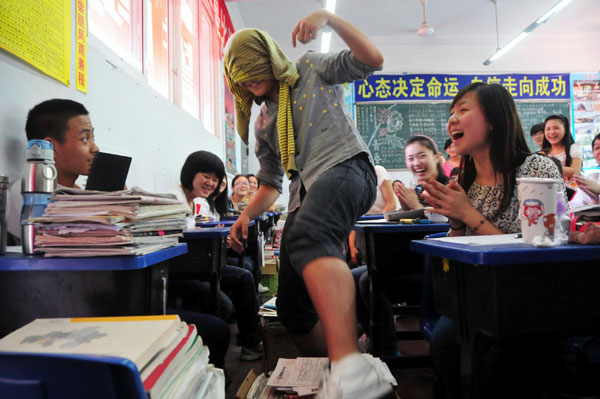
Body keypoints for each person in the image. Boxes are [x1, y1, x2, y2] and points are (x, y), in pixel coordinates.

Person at [224, 8, 391, 399]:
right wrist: (245, 216)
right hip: (305, 194)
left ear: (269, 57)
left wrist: (327, 19)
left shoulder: (310, 69)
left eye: (254, 68)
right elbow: (270, 184)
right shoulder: (264, 122)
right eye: (241, 77)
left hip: (347, 167)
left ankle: (350, 368)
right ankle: (347, 368)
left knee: (310, 234)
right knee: (293, 309)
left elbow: (373, 60)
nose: (250, 80)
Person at [422, 82, 566, 398]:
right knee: (447, 341)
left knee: (489, 359)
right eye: (451, 113)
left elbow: (543, 248)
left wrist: (470, 214)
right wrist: (457, 222)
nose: (452, 120)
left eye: (463, 110)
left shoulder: (535, 167)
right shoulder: (467, 181)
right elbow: (459, 248)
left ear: (493, 120)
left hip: (530, 302)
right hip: (478, 299)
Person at [168, 151, 263, 361]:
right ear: (191, 173)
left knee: (245, 272)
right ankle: (250, 343)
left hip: (196, 266)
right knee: (242, 278)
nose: (211, 183)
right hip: (178, 271)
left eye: (215, 179)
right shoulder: (174, 200)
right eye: (206, 176)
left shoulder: (196, 202)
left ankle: (251, 342)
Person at [7, 99, 99, 244]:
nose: (95, 148)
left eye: (93, 138)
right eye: (85, 138)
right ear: (51, 148)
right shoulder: (28, 193)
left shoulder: (79, 192)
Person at [395, 135, 449, 211]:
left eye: (422, 156)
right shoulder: (418, 191)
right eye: (410, 158)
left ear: (437, 157)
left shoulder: (450, 188)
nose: (416, 163)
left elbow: (450, 219)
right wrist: (406, 209)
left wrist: (417, 207)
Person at [542, 114, 582, 199]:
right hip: (548, 194)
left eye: (556, 128)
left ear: (565, 130)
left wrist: (547, 166)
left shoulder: (573, 148)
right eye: (548, 129)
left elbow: (575, 171)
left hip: (571, 195)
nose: (552, 132)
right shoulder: (543, 152)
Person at [571, 133, 600, 208]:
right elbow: (576, 209)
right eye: (597, 148)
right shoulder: (592, 179)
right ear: (593, 153)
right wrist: (594, 201)